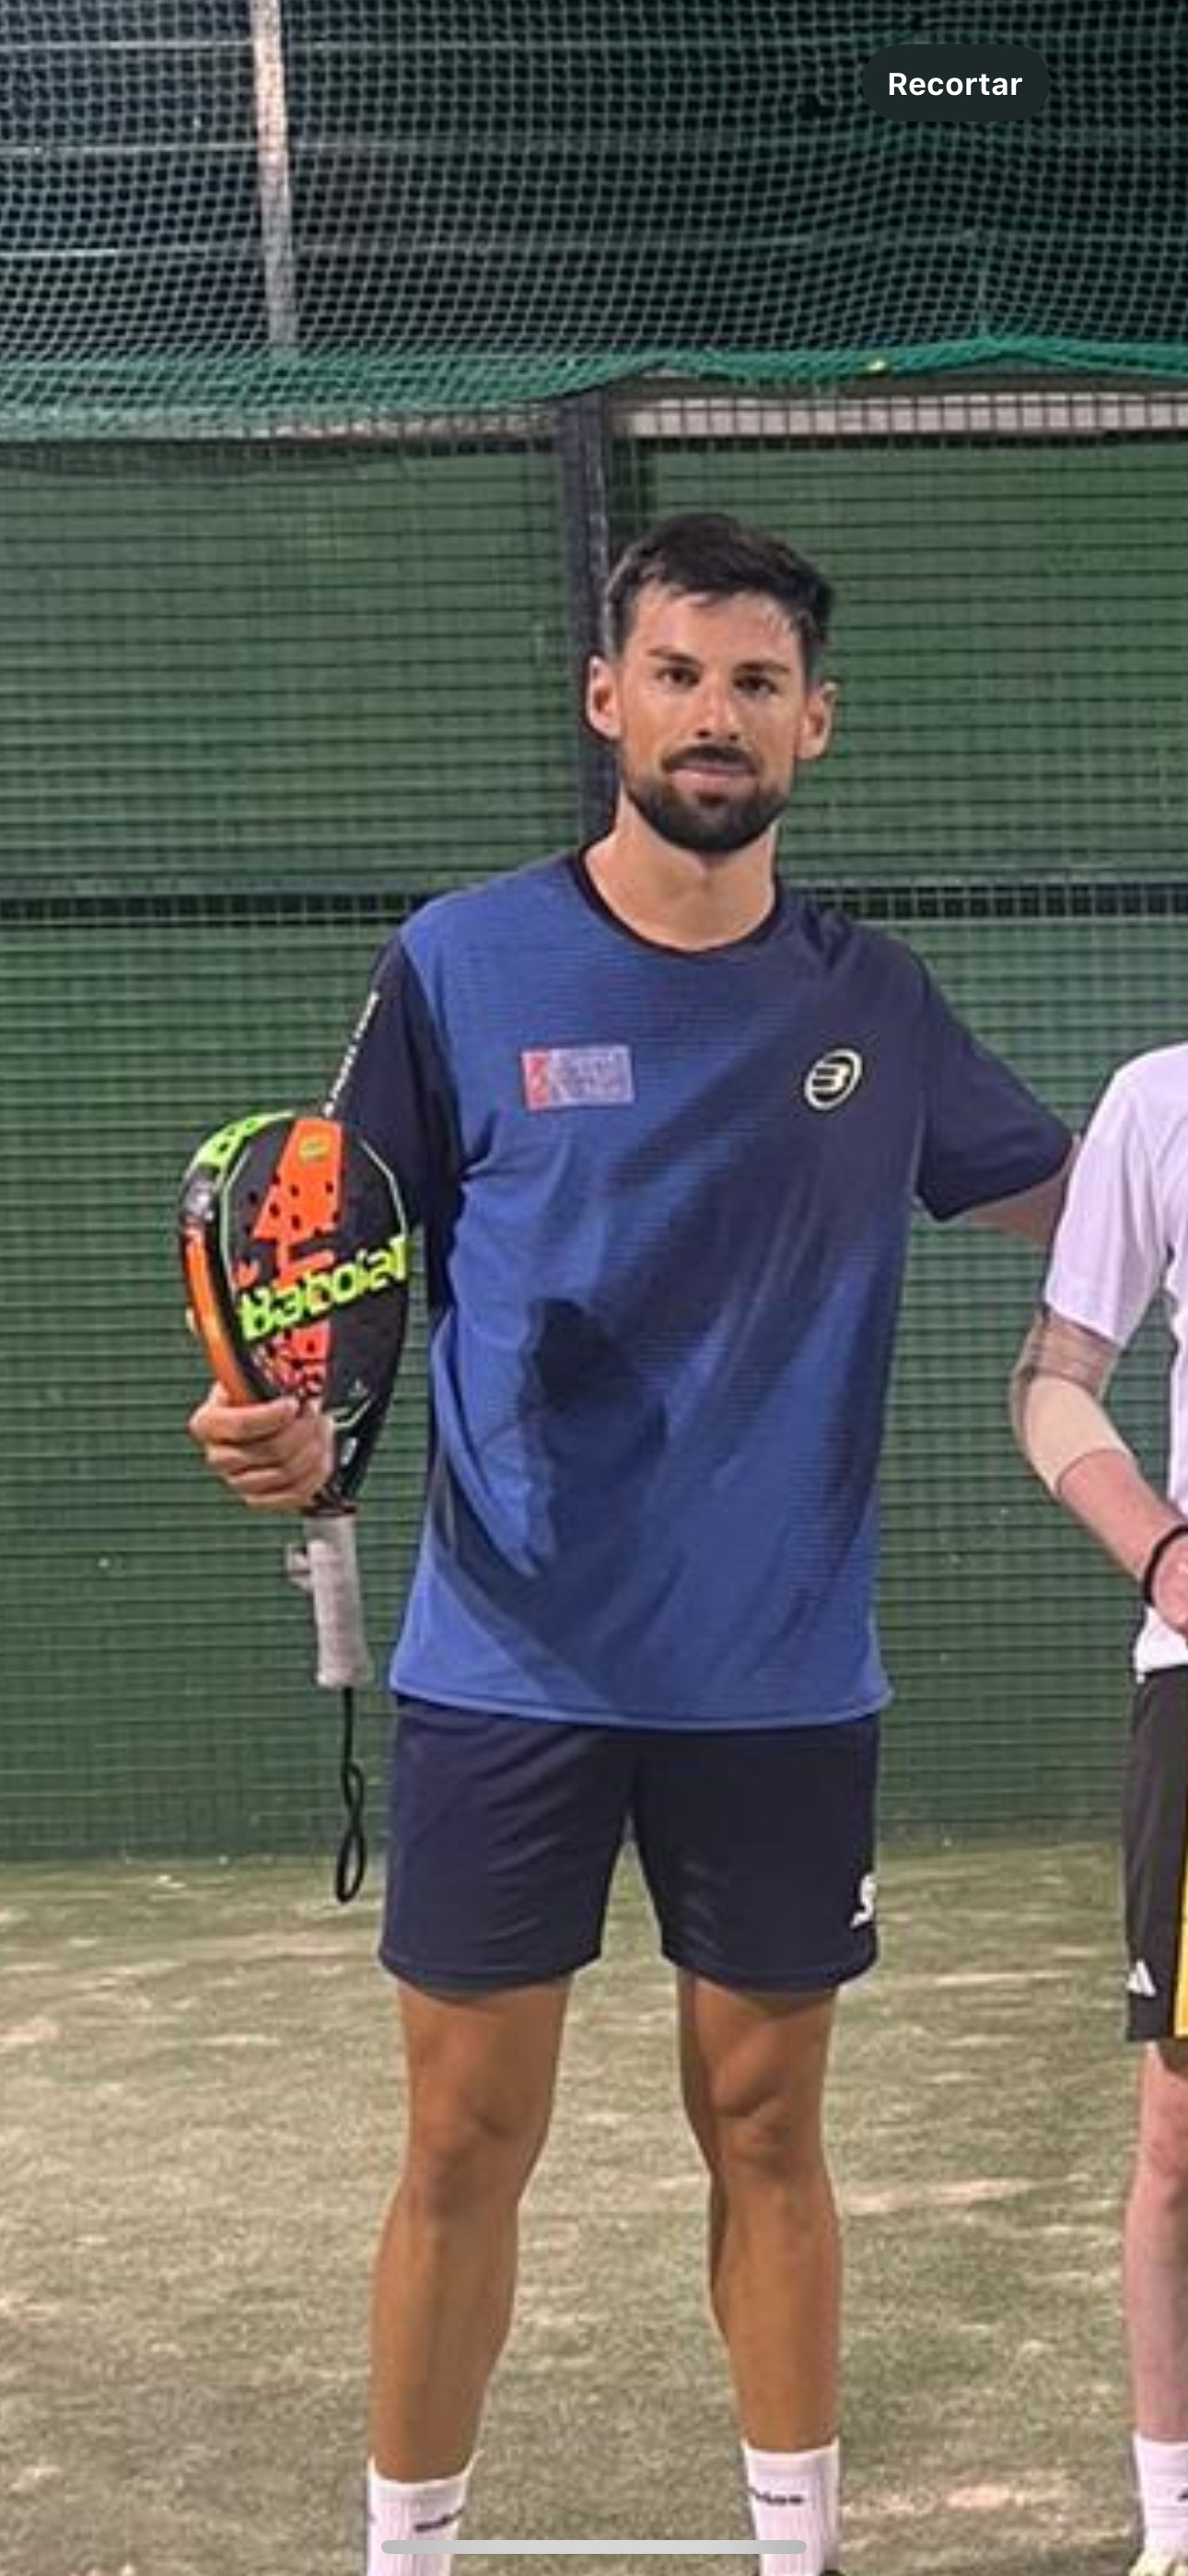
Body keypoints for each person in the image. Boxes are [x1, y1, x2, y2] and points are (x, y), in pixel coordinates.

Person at [190, 510, 1073, 2576]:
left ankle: (797, 2554)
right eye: (677, 674)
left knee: (767, 2131)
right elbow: (339, 1261)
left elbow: (1087, 1201)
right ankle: (405, 2554)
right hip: (507, 1672)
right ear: (608, 699)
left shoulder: (876, 1005)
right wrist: (291, 1434)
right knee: (460, 2141)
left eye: (756, 682)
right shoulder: (459, 964)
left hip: (779, 1680)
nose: (714, 714)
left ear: (814, 724)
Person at [1011, 1043, 1188, 2576]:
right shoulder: (1159, 1103)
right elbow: (1052, 1380)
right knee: (1182, 2134)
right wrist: (1159, 1551)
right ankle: (1173, 2523)